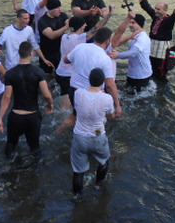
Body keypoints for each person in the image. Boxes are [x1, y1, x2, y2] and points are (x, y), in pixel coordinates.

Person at [56, 26, 122, 134]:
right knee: (87, 118)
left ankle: (59, 135)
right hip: (90, 93)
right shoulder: (105, 58)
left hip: (73, 90)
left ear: (95, 37)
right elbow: (110, 84)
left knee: (77, 115)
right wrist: (117, 104)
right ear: (107, 41)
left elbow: (66, 60)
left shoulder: (80, 47)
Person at [0, 41, 55, 158]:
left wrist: (0, 118)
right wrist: (50, 104)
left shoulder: (10, 74)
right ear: (31, 54)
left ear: (19, 54)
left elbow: (7, 98)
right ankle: (35, 173)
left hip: (16, 116)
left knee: (10, 146)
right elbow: (46, 95)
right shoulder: (38, 72)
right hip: (32, 117)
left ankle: (8, 173)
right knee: (35, 149)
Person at [69, 67, 117, 196]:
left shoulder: (78, 93)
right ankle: (97, 185)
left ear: (89, 80)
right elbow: (111, 116)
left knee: (78, 171)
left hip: (80, 137)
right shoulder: (107, 98)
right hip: (98, 137)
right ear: (102, 82)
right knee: (104, 161)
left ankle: (77, 197)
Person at [132, 0, 175, 81]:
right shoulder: (155, 17)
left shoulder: (168, 21)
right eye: (155, 8)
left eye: (158, 9)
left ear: (165, 11)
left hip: (161, 55)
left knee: (160, 76)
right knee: (149, 72)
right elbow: (145, 5)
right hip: (151, 52)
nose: (155, 11)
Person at [111, 11, 153, 91]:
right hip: (133, 74)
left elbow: (133, 53)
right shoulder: (135, 36)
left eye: (133, 23)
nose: (130, 25)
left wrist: (118, 55)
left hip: (140, 75)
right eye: (130, 22)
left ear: (139, 24)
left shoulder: (142, 38)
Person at [36, 0, 70, 75]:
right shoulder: (42, 21)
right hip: (47, 54)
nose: (60, 10)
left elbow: (69, 22)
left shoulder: (62, 15)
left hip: (60, 51)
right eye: (57, 8)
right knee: (46, 76)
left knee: (60, 74)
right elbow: (51, 35)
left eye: (60, 7)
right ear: (50, 9)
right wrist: (65, 27)